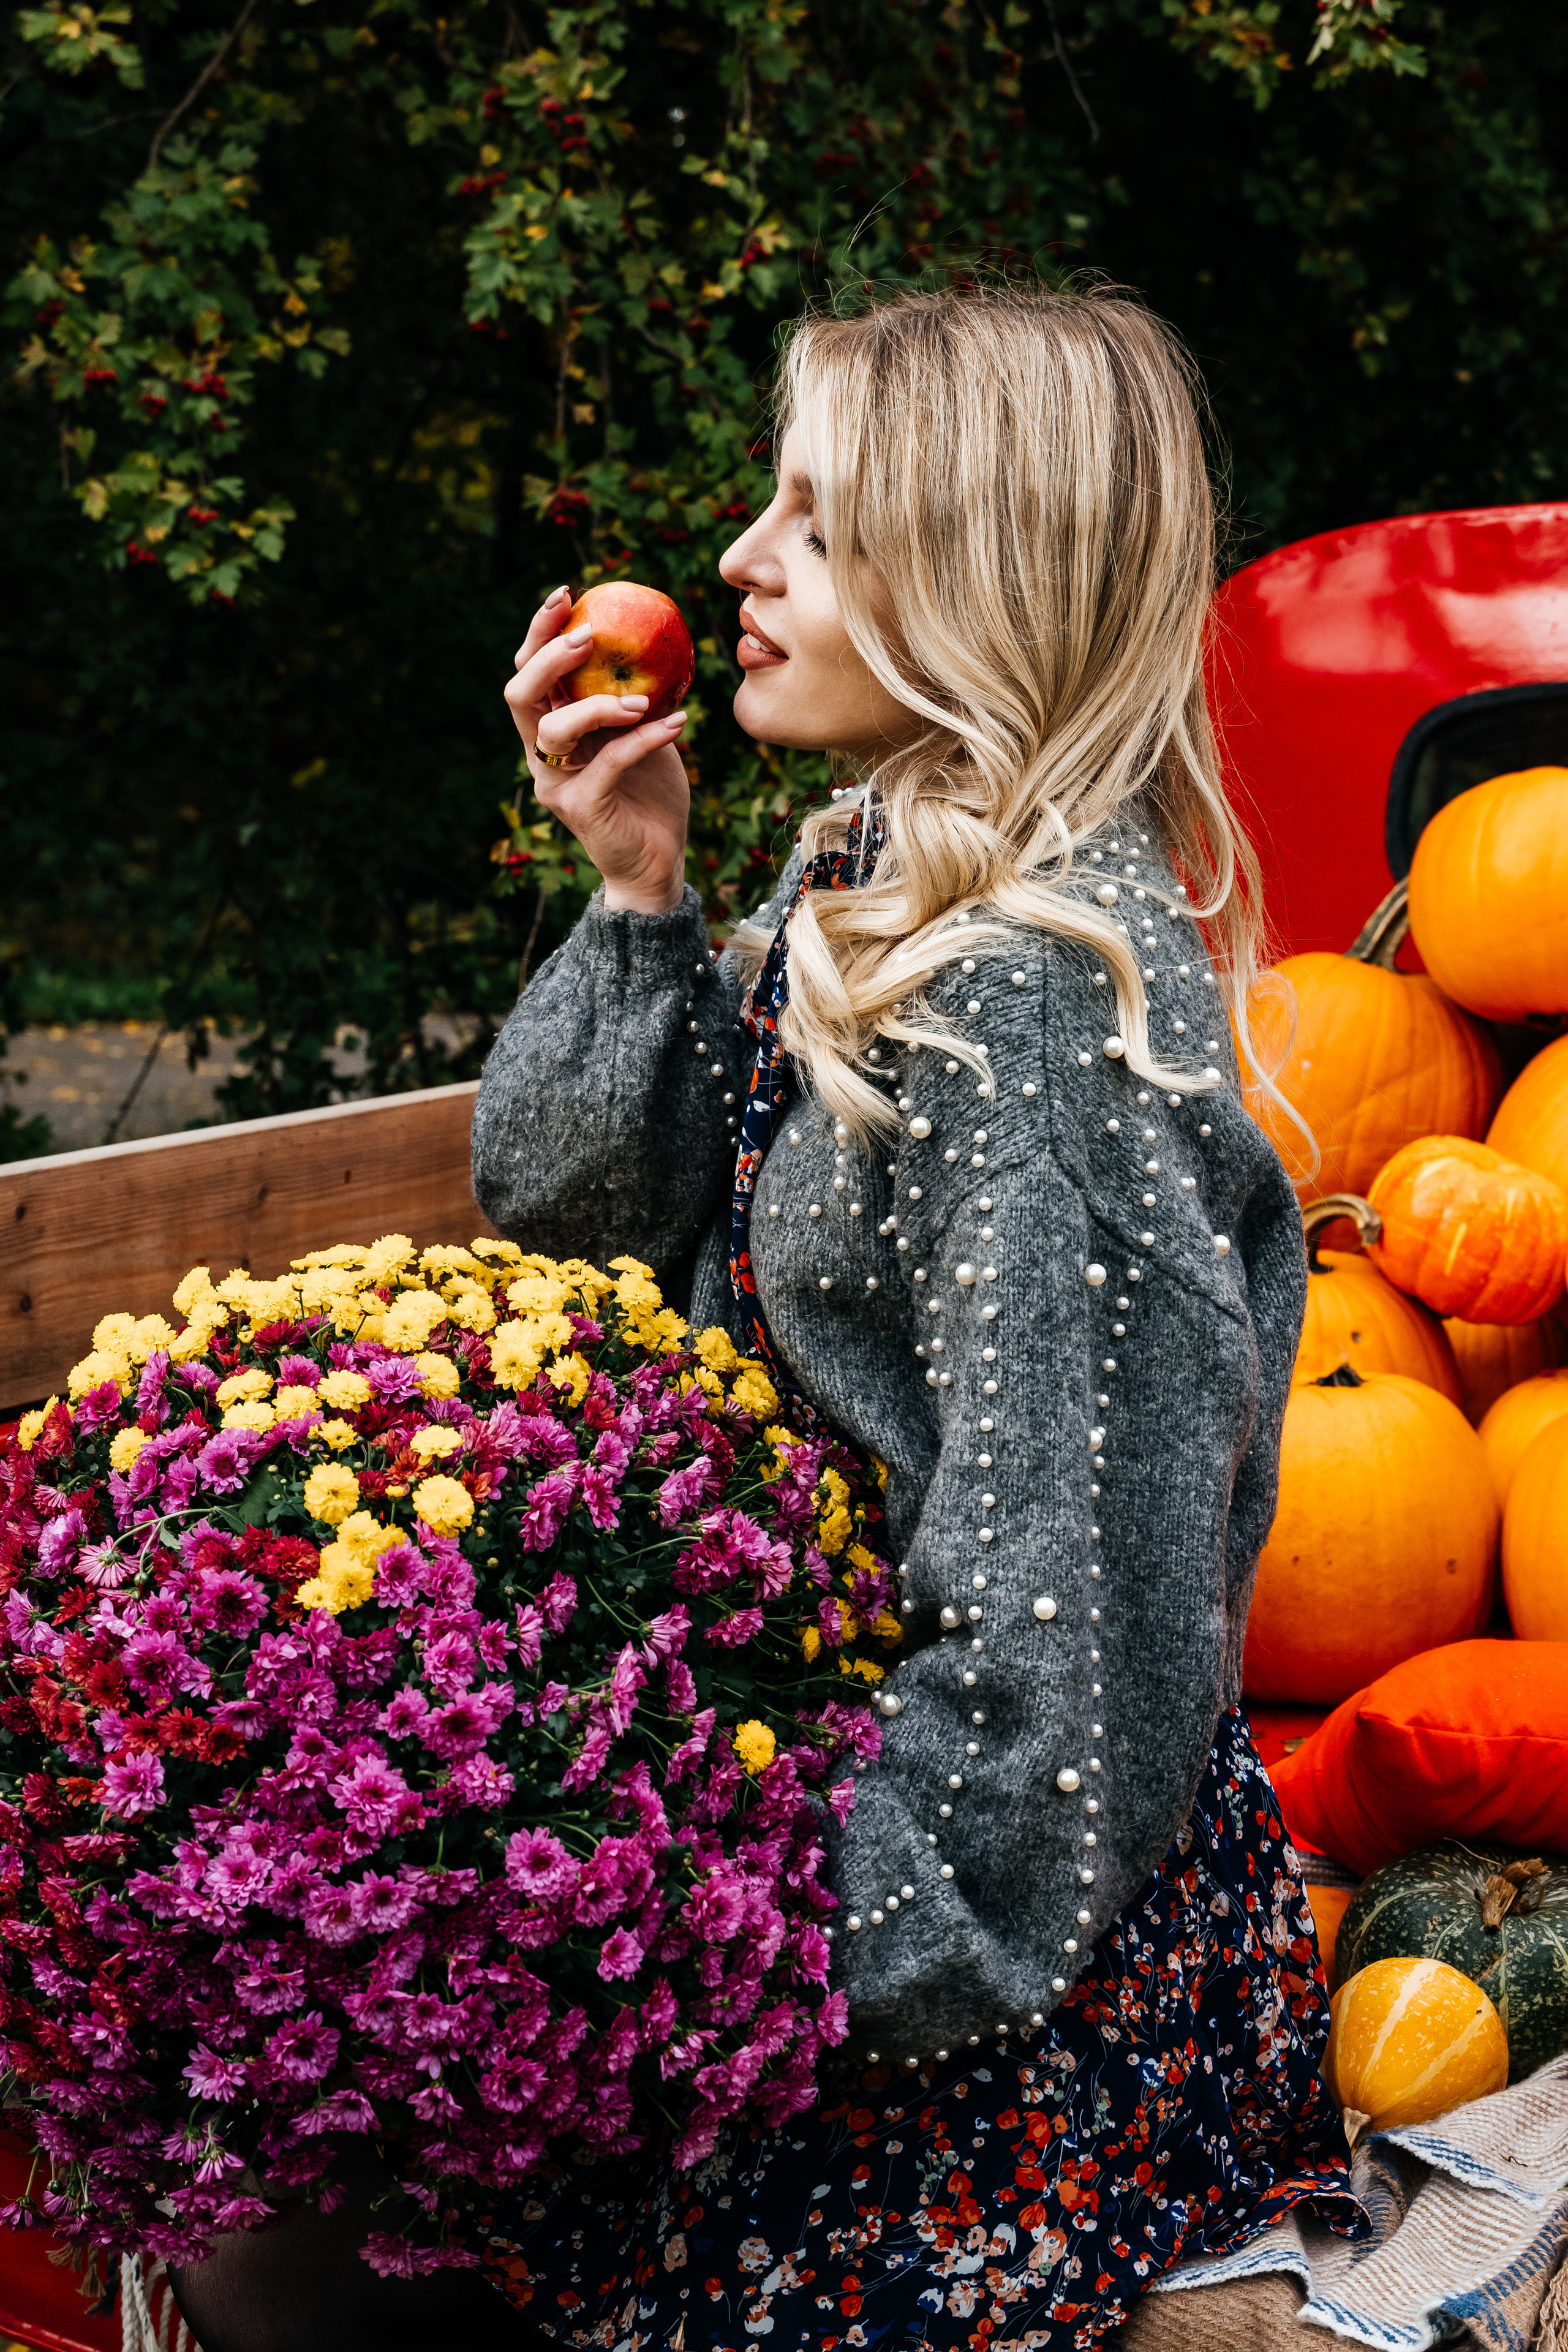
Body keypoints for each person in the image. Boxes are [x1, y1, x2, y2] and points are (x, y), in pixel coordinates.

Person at [172, 281, 1362, 2352]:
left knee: (342, 2262)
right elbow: (580, 1228)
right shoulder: (873, 898)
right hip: (828, 1854)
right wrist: (636, 886)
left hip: (992, 1986)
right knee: (302, 2208)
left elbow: (1064, 1672)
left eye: (812, 522)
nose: (736, 560)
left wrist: (712, 1978)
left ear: (972, 572)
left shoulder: (1027, 1024)